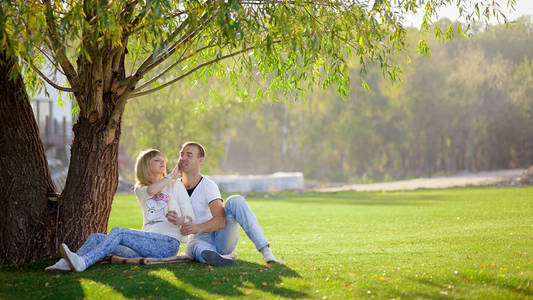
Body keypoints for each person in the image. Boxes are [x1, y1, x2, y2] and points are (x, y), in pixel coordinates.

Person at [45, 149, 195, 272]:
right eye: (157, 160)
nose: (162, 162)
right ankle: (65, 264)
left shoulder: (176, 186)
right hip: (146, 244)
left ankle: (84, 262)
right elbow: (150, 192)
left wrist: (180, 220)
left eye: (163, 159)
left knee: (119, 231)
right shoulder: (140, 189)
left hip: (167, 245)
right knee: (96, 237)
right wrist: (170, 176)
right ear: (145, 165)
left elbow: (191, 217)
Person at [166, 141, 278, 267]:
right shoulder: (173, 187)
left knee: (236, 200)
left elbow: (220, 220)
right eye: (181, 154)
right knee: (195, 248)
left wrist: (197, 227)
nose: (183, 158)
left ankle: (265, 250)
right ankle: (218, 258)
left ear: (200, 160)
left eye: (189, 155)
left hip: (222, 238)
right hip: (198, 239)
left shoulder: (208, 185)